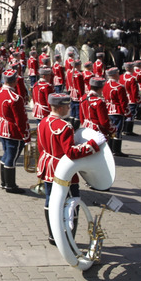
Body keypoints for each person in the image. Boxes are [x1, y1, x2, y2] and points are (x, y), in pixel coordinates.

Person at [38, 93, 104, 245]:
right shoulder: (64, 126)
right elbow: (71, 153)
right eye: (67, 106)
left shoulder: (43, 121)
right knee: (72, 203)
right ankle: (67, 238)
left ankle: (53, 236)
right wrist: (93, 144)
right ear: (60, 108)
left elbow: (42, 147)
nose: (69, 108)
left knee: (51, 200)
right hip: (63, 171)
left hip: (48, 167)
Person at [0, 69, 30, 194]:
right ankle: (10, 185)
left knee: (6, 155)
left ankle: (4, 182)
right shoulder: (15, 98)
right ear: (15, 81)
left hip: (2, 126)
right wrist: (26, 135)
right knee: (12, 157)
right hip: (12, 130)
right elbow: (20, 120)